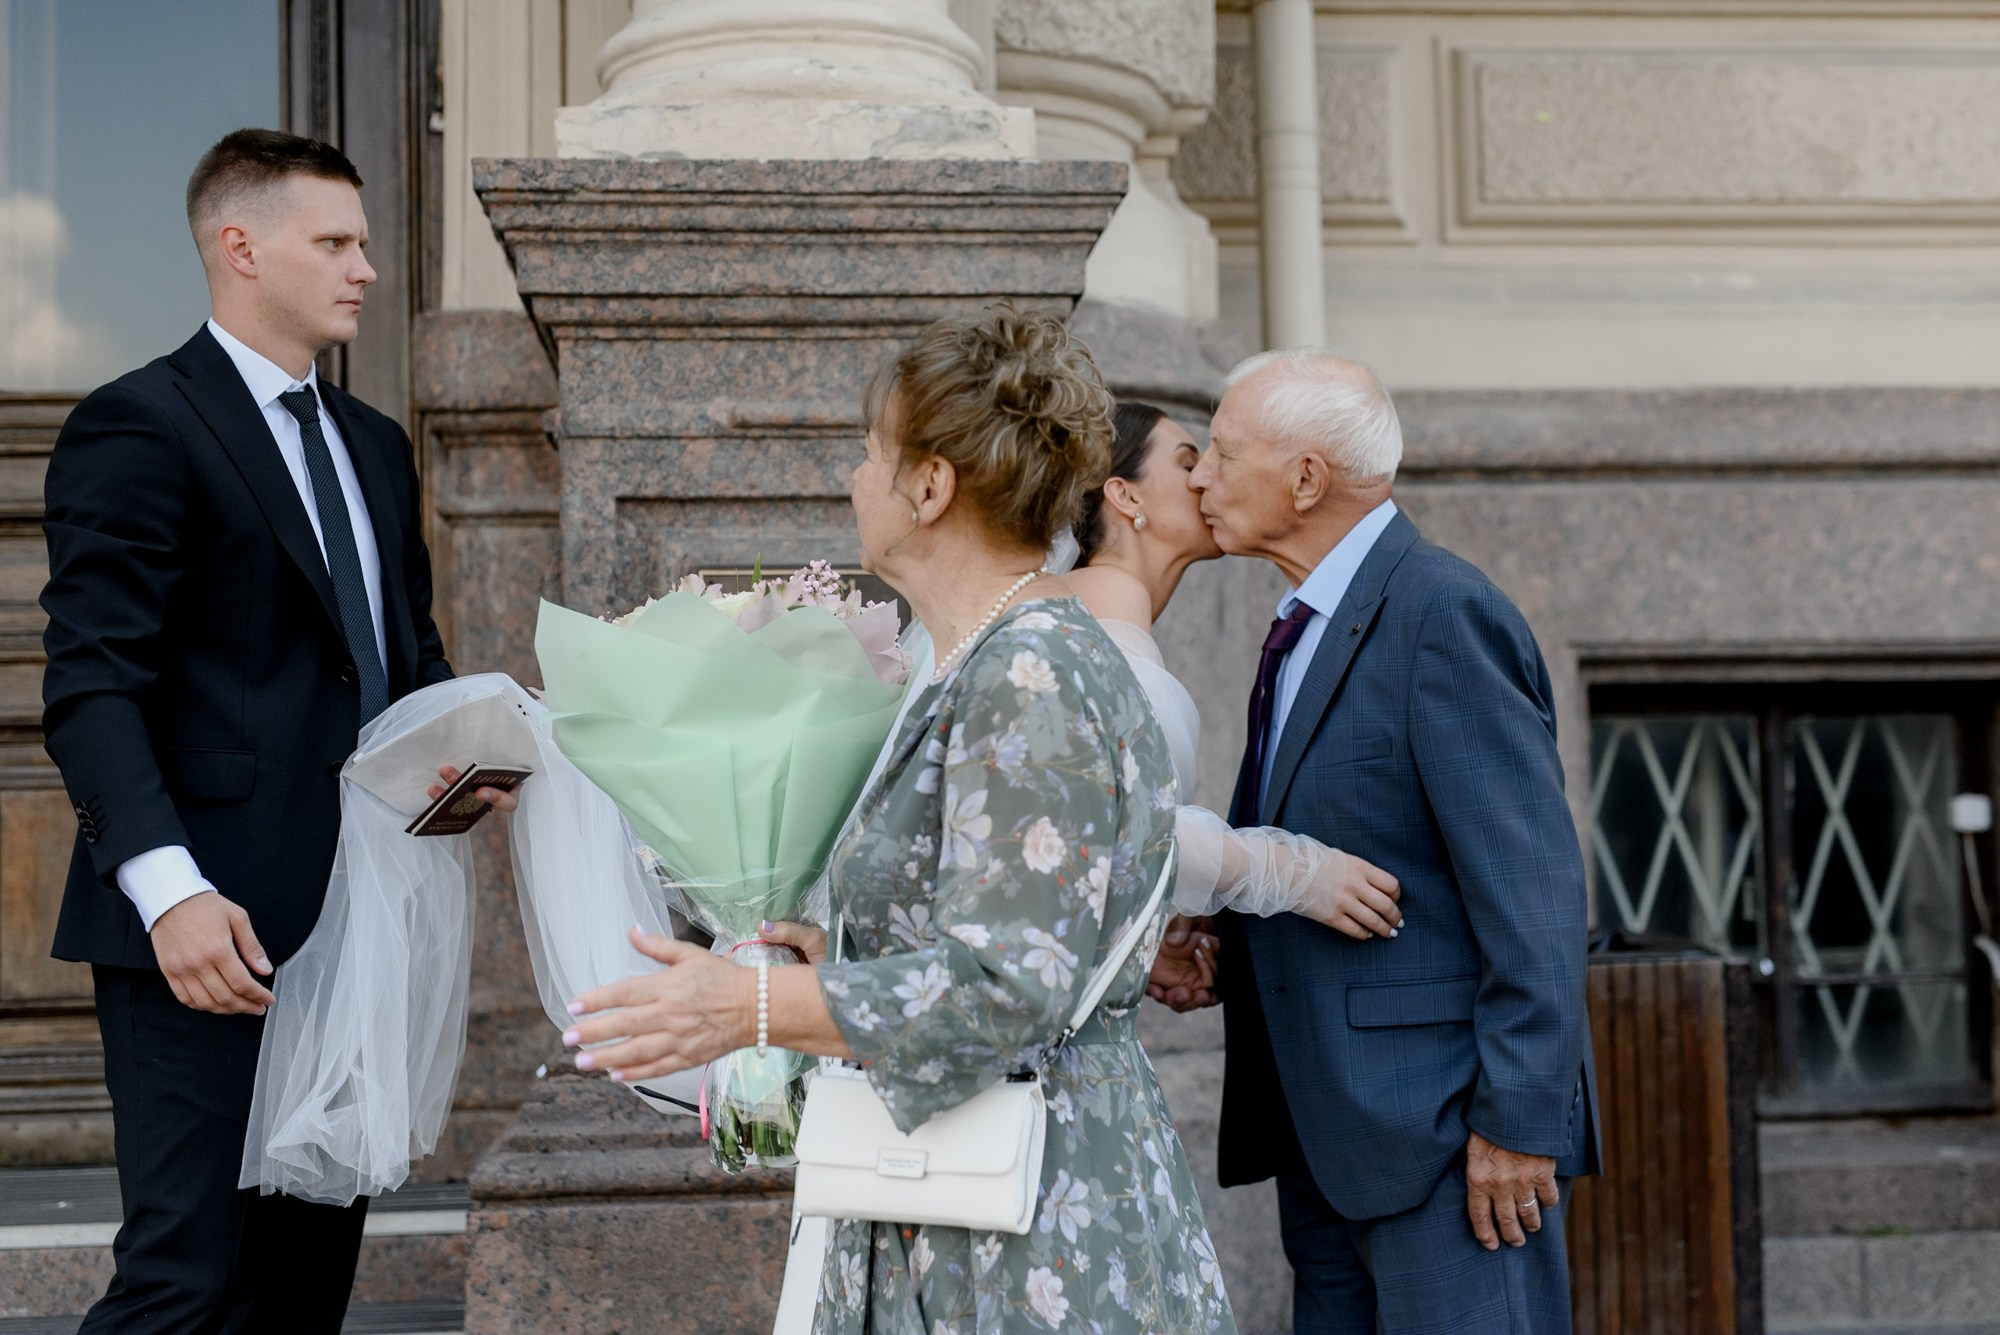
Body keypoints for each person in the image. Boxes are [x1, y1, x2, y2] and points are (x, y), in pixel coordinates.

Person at [561, 305, 1237, 1335]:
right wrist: (838, 957)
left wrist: (745, 1012)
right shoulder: (996, 655)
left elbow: (1008, 989)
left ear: (929, 485)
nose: (854, 480)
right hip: (985, 1197)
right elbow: (1006, 936)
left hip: (1024, 1230)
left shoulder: (1026, 671)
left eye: (870, 454)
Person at [40, 128, 475, 1334]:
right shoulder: (138, 425)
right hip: (204, 939)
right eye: (335, 242)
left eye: (367, 244)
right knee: (187, 1283)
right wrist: (167, 894)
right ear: (241, 247)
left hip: (356, 929)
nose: (364, 270)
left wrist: (465, 763)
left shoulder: (378, 448)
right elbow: (88, 688)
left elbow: (405, 668)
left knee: (300, 1289)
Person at [1188, 350, 1600, 1334]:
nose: (1199, 475)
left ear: (1302, 478)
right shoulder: (1300, 625)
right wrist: (1218, 938)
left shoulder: (1439, 612)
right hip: (1323, 1139)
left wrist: (1517, 1121)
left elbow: (1531, 889)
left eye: (1219, 450)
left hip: (1448, 1148)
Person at [1061, 402, 1406, 1012]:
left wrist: (1140, 947)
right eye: (1189, 462)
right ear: (1124, 496)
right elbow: (1107, 826)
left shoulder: (1105, 609)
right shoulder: (1100, 611)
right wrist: (1296, 876)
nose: (1203, 479)